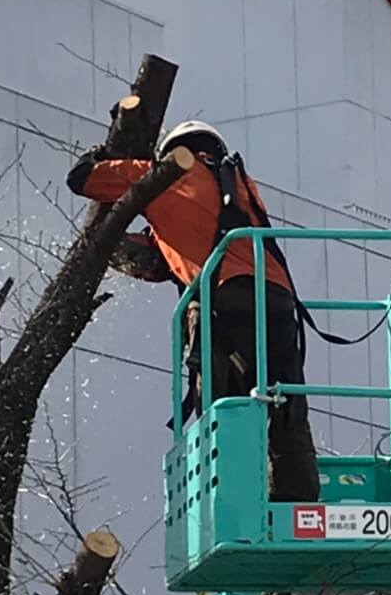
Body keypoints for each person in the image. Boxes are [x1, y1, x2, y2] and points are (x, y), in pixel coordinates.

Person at [66, 121, 321, 503]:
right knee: (285, 412)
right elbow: (172, 253)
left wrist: (107, 155)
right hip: (279, 306)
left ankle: (231, 512)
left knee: (224, 410)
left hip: (225, 306)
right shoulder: (239, 188)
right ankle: (297, 513)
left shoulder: (167, 174)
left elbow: (80, 178)